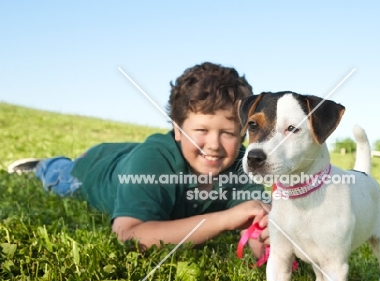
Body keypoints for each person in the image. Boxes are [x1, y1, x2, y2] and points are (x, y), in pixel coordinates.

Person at [8, 62, 270, 255]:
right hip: (93, 167)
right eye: (200, 131)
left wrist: (265, 237)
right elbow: (127, 234)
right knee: (59, 175)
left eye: (227, 133)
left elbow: (255, 221)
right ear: (178, 130)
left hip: (132, 154)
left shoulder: (239, 166)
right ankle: (43, 164)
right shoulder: (153, 162)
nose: (213, 145)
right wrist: (224, 219)